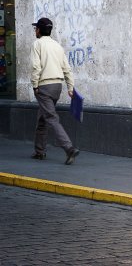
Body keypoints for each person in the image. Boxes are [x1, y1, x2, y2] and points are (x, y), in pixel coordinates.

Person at [30, 17, 79, 165]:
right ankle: (39, 151)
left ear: (38, 30)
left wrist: (35, 85)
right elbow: (67, 69)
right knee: (42, 118)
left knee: (51, 117)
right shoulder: (57, 46)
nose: (35, 31)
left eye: (35, 29)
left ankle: (69, 148)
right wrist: (70, 88)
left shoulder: (37, 44)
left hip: (44, 86)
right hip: (57, 86)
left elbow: (35, 67)